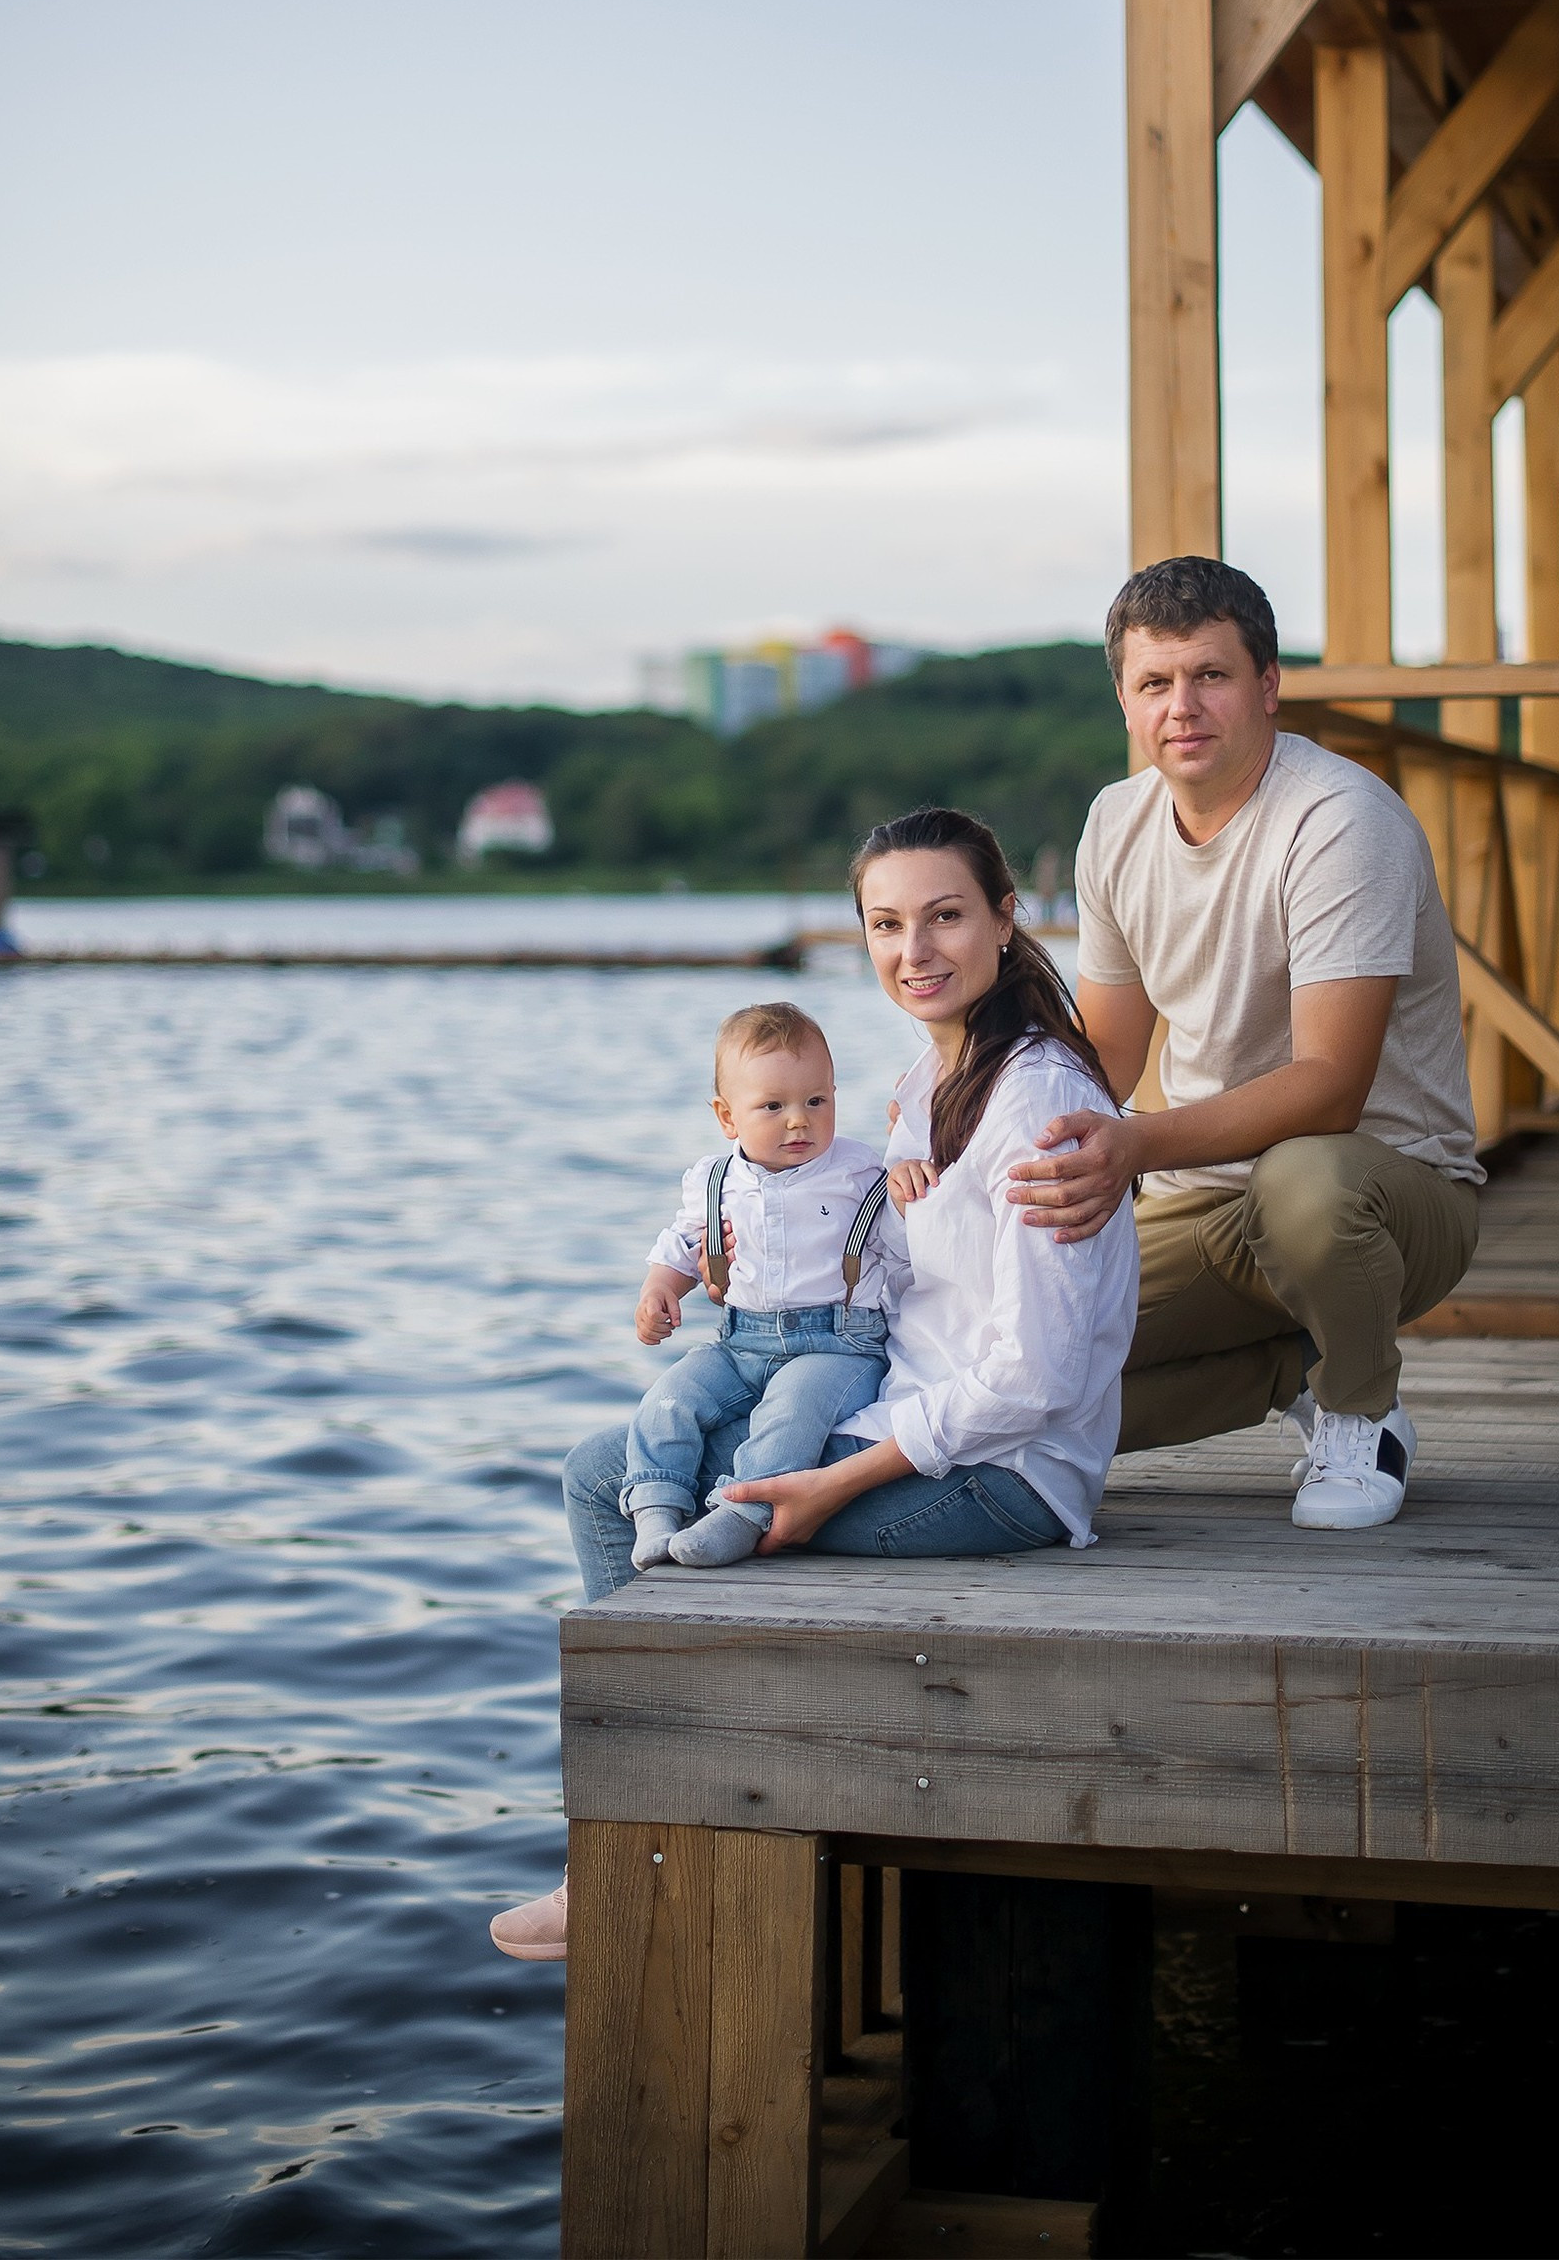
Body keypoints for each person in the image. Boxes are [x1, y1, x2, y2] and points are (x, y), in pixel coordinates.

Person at [488, 805, 1141, 1963]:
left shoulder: (1035, 1102)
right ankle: (650, 1818)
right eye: (885, 924)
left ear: (1005, 919)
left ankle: (638, 1848)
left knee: (701, 1508)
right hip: (896, 1407)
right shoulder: (917, 1085)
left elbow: (1032, 1377)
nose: (914, 950)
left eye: (945, 916)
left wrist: (834, 1483)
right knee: (610, 1471)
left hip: (1002, 1472)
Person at [1005, 555, 1482, 1533]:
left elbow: (1327, 1091)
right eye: (1153, 682)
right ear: (1125, 702)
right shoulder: (1115, 822)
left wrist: (1133, 1145)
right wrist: (961, 1115)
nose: (1181, 706)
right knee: (1024, 1387)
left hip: (1383, 1197)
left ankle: (1361, 1411)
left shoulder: (1338, 822)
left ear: (1266, 686)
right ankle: (1285, 1373)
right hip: (1201, 1203)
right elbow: (1105, 1052)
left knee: (1301, 1179)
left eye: (1209, 675)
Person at [619, 999, 906, 1575]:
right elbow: (682, 1244)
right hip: (740, 1342)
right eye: (772, 1106)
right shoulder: (715, 1180)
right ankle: (656, 1506)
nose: (799, 1120)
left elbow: (906, 1253)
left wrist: (908, 1180)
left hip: (836, 1346)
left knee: (791, 1412)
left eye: (816, 1101)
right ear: (728, 1118)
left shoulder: (859, 1173)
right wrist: (660, 1290)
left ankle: (742, 1512)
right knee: (668, 1399)